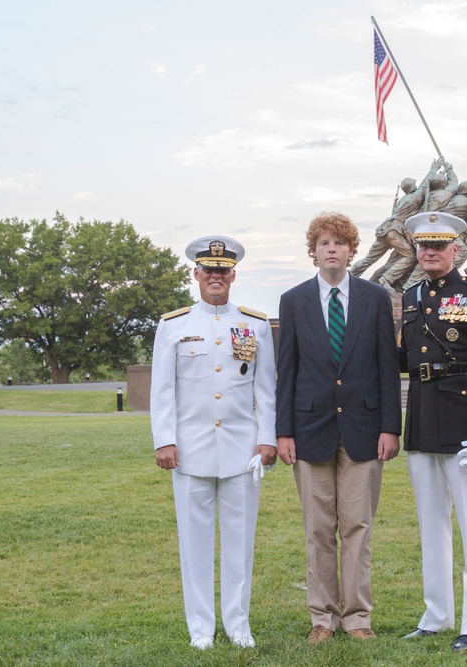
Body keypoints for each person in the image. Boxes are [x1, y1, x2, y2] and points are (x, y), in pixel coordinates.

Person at [276, 211, 402, 645]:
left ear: (351, 251)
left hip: (366, 430)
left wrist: (391, 426)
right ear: (313, 252)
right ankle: (323, 619)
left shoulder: (374, 298)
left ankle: (357, 617)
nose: (332, 249)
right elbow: (286, 371)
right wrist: (283, 432)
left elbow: (388, 365)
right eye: (324, 243)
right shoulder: (294, 301)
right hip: (309, 429)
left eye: (340, 243)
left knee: (357, 527)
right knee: (318, 530)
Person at [149, 235, 277, 651]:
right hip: (189, 449)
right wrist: (164, 441)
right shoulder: (174, 326)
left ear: (234, 274)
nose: (216, 276)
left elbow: (266, 389)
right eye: (209, 270)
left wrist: (267, 439)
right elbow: (162, 391)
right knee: (194, 544)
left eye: (223, 270)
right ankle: (200, 628)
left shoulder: (255, 324)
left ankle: (239, 625)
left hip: (242, 450)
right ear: (196, 274)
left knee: (240, 544)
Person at [397, 211, 467, 652]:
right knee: (431, 526)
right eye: (424, 246)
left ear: (455, 250)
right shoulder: (410, 298)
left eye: (439, 246)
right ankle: (436, 615)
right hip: (423, 420)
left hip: (466, 424)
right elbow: (403, 360)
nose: (430, 252)